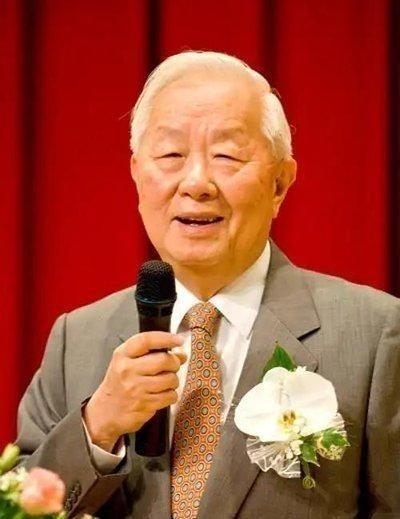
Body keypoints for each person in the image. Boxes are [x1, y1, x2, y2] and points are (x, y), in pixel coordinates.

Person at [16, 51, 400, 518]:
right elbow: (18, 506)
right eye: (171, 155)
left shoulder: (374, 336)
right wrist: (97, 427)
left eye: (227, 156)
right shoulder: (76, 339)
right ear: (137, 173)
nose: (196, 183)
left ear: (280, 183)